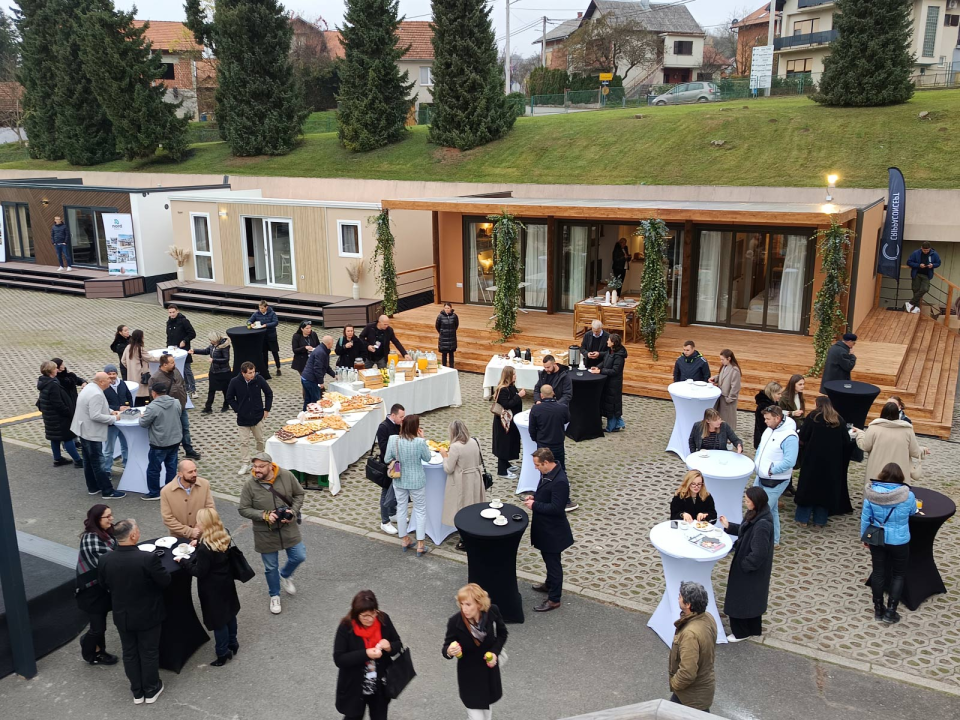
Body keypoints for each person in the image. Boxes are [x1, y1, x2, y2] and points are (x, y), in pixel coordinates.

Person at [97, 519, 171, 704]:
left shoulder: (105, 559)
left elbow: (103, 584)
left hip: (123, 615)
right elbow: (165, 581)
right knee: (149, 652)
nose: (139, 532)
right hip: (148, 615)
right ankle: (151, 688)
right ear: (132, 535)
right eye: (137, 529)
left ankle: (137, 691)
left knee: (129, 652)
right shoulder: (147, 558)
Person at [237, 452, 305, 615]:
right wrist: (263, 515)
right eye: (255, 466)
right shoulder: (250, 485)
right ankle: (274, 595)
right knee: (270, 567)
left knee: (299, 556)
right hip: (264, 532)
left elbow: (299, 494)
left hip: (288, 527)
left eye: (261, 466)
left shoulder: (286, 475)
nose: (257, 470)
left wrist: (293, 511)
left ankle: (285, 574)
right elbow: (243, 509)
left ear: (270, 466)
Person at [176, 508, 241, 666]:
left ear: (204, 523)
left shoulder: (206, 548)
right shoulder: (223, 533)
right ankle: (233, 643)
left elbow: (199, 571)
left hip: (212, 588)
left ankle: (222, 653)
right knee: (230, 614)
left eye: (199, 521)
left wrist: (183, 561)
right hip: (226, 582)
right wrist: (198, 543)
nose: (196, 523)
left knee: (219, 622)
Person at [334, 590, 404, 720]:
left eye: (373, 614)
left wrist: (389, 647)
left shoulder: (383, 620)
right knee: (353, 717)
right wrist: (366, 653)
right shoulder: (346, 627)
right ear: (356, 614)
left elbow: (398, 644)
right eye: (365, 615)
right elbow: (339, 659)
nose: (370, 619)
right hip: (354, 687)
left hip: (379, 686)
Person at [861, 463, 918, 624]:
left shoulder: (871, 494)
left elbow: (865, 519)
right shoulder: (908, 495)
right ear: (900, 477)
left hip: (878, 539)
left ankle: (878, 610)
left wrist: (865, 538)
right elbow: (913, 511)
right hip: (900, 540)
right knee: (898, 574)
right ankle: (891, 611)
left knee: (878, 573)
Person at [442, 583, 508, 720]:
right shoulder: (455, 622)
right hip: (469, 677)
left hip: (489, 674)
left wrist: (494, 652)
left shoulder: (492, 612)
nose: (464, 609)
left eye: (468, 604)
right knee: (476, 717)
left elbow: (502, 634)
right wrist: (450, 650)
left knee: (486, 715)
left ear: (479, 604)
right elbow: (446, 648)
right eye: (462, 604)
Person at [719, 486, 774, 641]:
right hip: (752, 571)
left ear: (755, 502)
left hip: (749, 570)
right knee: (750, 601)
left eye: (747, 500)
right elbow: (745, 530)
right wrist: (728, 526)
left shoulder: (762, 524)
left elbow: (759, 552)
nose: (745, 502)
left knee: (741, 600)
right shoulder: (756, 514)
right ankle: (752, 629)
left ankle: (741, 632)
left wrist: (744, 565)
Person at [523, 448, 574, 612]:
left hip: (553, 532)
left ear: (546, 462)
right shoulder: (548, 473)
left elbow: (557, 508)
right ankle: (549, 584)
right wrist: (535, 496)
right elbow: (547, 494)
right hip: (545, 528)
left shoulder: (560, 481)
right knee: (548, 560)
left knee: (553, 564)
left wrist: (535, 505)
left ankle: (554, 599)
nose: (536, 468)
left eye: (538, 465)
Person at [795, 396, 853, 527]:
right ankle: (820, 521)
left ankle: (802, 519)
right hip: (831, 463)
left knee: (808, 488)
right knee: (825, 491)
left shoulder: (813, 417)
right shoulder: (838, 419)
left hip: (812, 460)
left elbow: (803, 435)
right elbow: (846, 440)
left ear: (817, 404)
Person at [75, 504, 118, 666]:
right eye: (107, 517)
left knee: (101, 626)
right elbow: (106, 562)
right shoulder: (90, 539)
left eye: (111, 514)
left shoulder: (106, 533)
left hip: (103, 588)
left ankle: (100, 651)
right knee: (98, 628)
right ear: (97, 519)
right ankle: (89, 652)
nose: (111, 519)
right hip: (91, 590)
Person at [384, 414, 433, 557]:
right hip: (416, 480)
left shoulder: (394, 440)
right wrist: (423, 439)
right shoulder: (419, 442)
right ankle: (420, 544)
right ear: (416, 427)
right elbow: (428, 458)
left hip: (399, 479)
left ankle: (404, 539)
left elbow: (387, 458)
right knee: (420, 510)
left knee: (401, 508)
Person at [71, 372, 124, 499]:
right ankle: (107, 491)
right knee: (98, 462)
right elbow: (95, 415)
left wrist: (111, 411)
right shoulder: (96, 394)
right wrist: (114, 418)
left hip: (83, 429)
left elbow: (97, 408)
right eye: (107, 379)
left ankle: (93, 487)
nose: (110, 381)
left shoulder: (90, 388)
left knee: (89, 461)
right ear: (101, 382)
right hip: (91, 432)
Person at [753, 405, 798, 547]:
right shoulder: (769, 429)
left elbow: (790, 461)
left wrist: (771, 470)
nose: (765, 421)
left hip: (775, 480)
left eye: (768, 419)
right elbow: (761, 448)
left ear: (777, 418)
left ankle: (755, 540)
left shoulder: (790, 437)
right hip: (762, 476)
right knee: (771, 509)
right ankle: (775, 540)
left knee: (759, 510)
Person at [668, 581, 717, 712]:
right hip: (701, 689)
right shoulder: (708, 618)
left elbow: (687, 673)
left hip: (690, 695)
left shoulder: (690, 634)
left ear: (688, 605)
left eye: (680, 596)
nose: (678, 598)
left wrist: (674, 683)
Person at [439, 421, 486, 551]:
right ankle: (476, 534)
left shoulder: (455, 447)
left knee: (463, 509)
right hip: (475, 478)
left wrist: (444, 456)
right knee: (475, 505)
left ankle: (465, 539)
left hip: (462, 480)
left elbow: (448, 468)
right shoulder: (475, 441)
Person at [853, 401, 926, 482]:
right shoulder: (907, 430)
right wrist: (923, 450)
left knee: (875, 492)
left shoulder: (874, 428)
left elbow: (865, 446)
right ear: (897, 414)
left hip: (877, 473)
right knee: (898, 493)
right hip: (899, 474)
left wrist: (860, 434)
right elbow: (914, 451)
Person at [225, 361, 274, 475]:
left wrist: (266, 409)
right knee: (244, 442)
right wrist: (238, 409)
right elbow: (229, 397)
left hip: (257, 417)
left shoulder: (259, 379)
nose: (252, 375)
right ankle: (245, 463)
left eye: (253, 372)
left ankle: (260, 461)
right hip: (243, 419)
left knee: (260, 440)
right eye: (250, 373)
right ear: (243, 373)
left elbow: (268, 393)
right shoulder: (235, 382)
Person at [149, 354, 200, 460]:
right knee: (172, 432)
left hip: (181, 407)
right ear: (164, 364)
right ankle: (173, 454)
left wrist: (184, 398)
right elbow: (153, 396)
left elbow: (182, 383)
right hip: (168, 411)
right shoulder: (155, 378)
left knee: (185, 428)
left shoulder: (175, 370)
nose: (174, 364)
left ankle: (189, 450)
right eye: (172, 362)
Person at [138, 382, 183, 500]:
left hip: (159, 443)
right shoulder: (176, 402)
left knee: (154, 469)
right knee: (171, 466)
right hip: (175, 440)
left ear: (154, 393)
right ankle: (171, 490)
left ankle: (154, 492)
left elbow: (143, 424)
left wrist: (141, 417)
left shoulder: (152, 407)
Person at [37, 360, 83, 467]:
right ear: (51, 371)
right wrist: (68, 412)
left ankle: (57, 459)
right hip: (59, 418)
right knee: (68, 437)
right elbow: (58, 403)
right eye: (55, 368)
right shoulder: (53, 384)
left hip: (50, 417)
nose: (57, 370)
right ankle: (78, 461)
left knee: (55, 438)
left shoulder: (44, 382)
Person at [159, 459, 215, 539]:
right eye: (190, 472)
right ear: (180, 474)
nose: (194, 474)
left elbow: (210, 509)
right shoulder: (166, 491)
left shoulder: (204, 484)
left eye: (195, 470)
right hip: (179, 538)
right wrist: (189, 531)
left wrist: (200, 526)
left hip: (203, 535)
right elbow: (168, 518)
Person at [376, 404, 404, 535]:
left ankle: (393, 513)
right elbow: (383, 448)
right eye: (401, 417)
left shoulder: (398, 425)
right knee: (386, 491)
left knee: (396, 488)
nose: (402, 419)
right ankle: (385, 521)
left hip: (397, 463)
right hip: (388, 465)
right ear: (393, 415)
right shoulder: (383, 427)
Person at [590, 333, 628, 433]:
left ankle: (611, 427)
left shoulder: (619, 356)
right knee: (610, 405)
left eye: (609, 340)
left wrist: (601, 371)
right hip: (608, 383)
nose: (607, 341)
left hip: (614, 384)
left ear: (613, 343)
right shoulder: (610, 351)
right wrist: (598, 367)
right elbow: (605, 360)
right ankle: (619, 423)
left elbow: (615, 371)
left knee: (612, 405)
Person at [491, 366, 524, 479]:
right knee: (503, 444)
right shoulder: (503, 389)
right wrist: (518, 396)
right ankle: (502, 471)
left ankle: (506, 464)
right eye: (514, 374)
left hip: (511, 421)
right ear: (509, 376)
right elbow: (506, 404)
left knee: (510, 442)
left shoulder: (511, 387)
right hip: (503, 423)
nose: (515, 376)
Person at [528, 384, 570, 469]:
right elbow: (567, 420)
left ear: (541, 395)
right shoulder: (562, 408)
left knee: (543, 467)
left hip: (543, 442)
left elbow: (532, 428)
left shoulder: (536, 408)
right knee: (559, 465)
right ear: (553, 393)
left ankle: (545, 481)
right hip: (557, 442)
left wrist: (536, 439)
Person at [101, 363, 132, 475]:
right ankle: (107, 470)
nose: (112, 376)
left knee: (126, 445)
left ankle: (127, 467)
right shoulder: (104, 388)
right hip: (111, 422)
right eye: (110, 374)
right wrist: (118, 408)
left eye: (114, 373)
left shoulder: (122, 384)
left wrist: (129, 407)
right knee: (109, 449)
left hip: (124, 420)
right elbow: (104, 405)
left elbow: (129, 397)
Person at [191, 331, 232, 414]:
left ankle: (226, 404)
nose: (210, 341)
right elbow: (206, 351)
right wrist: (194, 351)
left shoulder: (224, 347)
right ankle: (208, 407)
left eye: (211, 340)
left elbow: (226, 359)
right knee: (211, 390)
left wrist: (214, 360)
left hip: (223, 372)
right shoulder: (213, 345)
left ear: (215, 340)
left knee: (225, 389)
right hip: (213, 371)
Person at [165, 304, 197, 396]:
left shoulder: (184, 321)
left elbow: (192, 333)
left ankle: (193, 389)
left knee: (187, 369)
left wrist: (184, 340)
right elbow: (168, 336)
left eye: (173, 312)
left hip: (183, 349)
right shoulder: (169, 322)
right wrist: (168, 347)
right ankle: (185, 388)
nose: (172, 314)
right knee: (178, 369)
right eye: (170, 312)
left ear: (177, 311)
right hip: (173, 349)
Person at [905, 241, 941, 314]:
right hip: (917, 273)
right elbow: (909, 262)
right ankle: (917, 307)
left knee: (925, 289)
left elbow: (938, 263)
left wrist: (932, 265)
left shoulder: (934, 254)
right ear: (921, 248)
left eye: (927, 250)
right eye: (924, 250)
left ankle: (910, 303)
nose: (926, 251)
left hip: (927, 275)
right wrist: (918, 265)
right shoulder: (916, 253)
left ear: (930, 249)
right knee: (916, 290)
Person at [302, 335, 336, 409]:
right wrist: (320, 382)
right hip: (311, 380)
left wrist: (334, 375)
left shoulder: (323, 350)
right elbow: (318, 369)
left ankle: (304, 414)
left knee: (308, 400)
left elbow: (326, 366)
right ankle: (312, 416)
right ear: (329, 343)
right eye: (332, 342)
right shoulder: (321, 352)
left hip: (305, 377)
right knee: (315, 401)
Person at [710, 349, 741, 429]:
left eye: (722, 359)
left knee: (728, 419)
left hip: (727, 400)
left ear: (729, 359)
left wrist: (729, 398)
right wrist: (715, 379)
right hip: (721, 397)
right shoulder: (724, 367)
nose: (721, 361)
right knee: (720, 418)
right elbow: (722, 376)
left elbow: (735, 387)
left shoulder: (735, 370)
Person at [249, 300, 281, 377]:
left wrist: (266, 325)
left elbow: (275, 322)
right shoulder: (256, 314)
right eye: (260, 308)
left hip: (271, 336)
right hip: (262, 337)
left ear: (266, 307)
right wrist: (251, 324)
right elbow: (249, 320)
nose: (261, 309)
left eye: (262, 308)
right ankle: (266, 369)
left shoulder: (272, 313)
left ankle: (278, 367)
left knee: (274, 352)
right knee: (264, 353)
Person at [121, 329, 151, 407]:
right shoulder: (140, 349)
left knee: (135, 395)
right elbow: (150, 358)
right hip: (141, 376)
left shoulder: (128, 347)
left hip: (131, 375)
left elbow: (123, 360)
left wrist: (131, 367)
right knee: (144, 395)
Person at [753, 381, 782, 449]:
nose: (780, 396)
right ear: (772, 393)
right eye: (778, 394)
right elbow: (762, 425)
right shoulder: (764, 406)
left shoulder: (774, 404)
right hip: (764, 440)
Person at [436, 302, 459, 368]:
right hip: (444, 338)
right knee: (444, 354)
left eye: (448, 308)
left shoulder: (454, 316)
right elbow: (437, 326)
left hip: (452, 337)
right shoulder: (440, 316)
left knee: (451, 354)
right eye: (445, 308)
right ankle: (444, 366)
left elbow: (456, 325)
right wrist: (442, 332)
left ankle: (451, 366)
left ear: (451, 308)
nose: (447, 309)